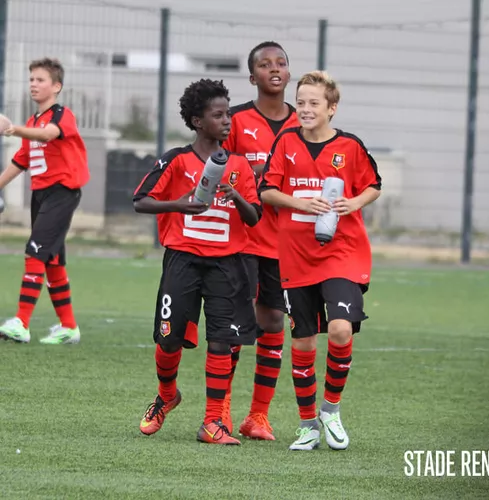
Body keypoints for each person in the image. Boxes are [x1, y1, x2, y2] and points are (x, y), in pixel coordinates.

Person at [133, 78, 261, 446]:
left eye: (228, 114)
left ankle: (212, 422)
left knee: (221, 341)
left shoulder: (238, 165)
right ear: (197, 121)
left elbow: (254, 218)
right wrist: (178, 204)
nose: (227, 121)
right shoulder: (176, 160)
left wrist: (236, 195)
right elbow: (141, 201)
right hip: (183, 261)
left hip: (226, 265)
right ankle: (167, 395)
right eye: (218, 115)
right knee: (169, 340)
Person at [259, 70, 382, 451]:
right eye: (301, 103)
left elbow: (373, 185)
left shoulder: (350, 146)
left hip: (342, 253)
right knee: (303, 341)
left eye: (314, 103)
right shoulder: (286, 143)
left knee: (341, 329)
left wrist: (354, 203)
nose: (306, 109)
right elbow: (266, 191)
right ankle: (307, 424)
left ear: (332, 108)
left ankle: (331, 409)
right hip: (296, 256)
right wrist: (301, 203)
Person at [221, 41, 298, 441]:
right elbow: (218, 170)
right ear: (253, 77)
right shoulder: (235, 120)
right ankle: (221, 410)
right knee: (237, 323)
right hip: (243, 239)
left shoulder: (304, 121)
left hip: (286, 244)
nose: (274, 68)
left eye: (281, 63)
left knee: (272, 322)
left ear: (289, 73)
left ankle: (258, 416)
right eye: (265, 64)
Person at [0, 57, 89, 345]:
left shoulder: (62, 115)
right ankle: (69, 327)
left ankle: (21, 323)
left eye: (40, 80)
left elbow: (49, 135)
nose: (33, 84)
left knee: (34, 252)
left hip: (62, 193)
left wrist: (11, 129)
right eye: (31, 80)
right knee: (52, 261)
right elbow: (21, 160)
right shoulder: (32, 122)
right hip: (41, 195)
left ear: (56, 86)